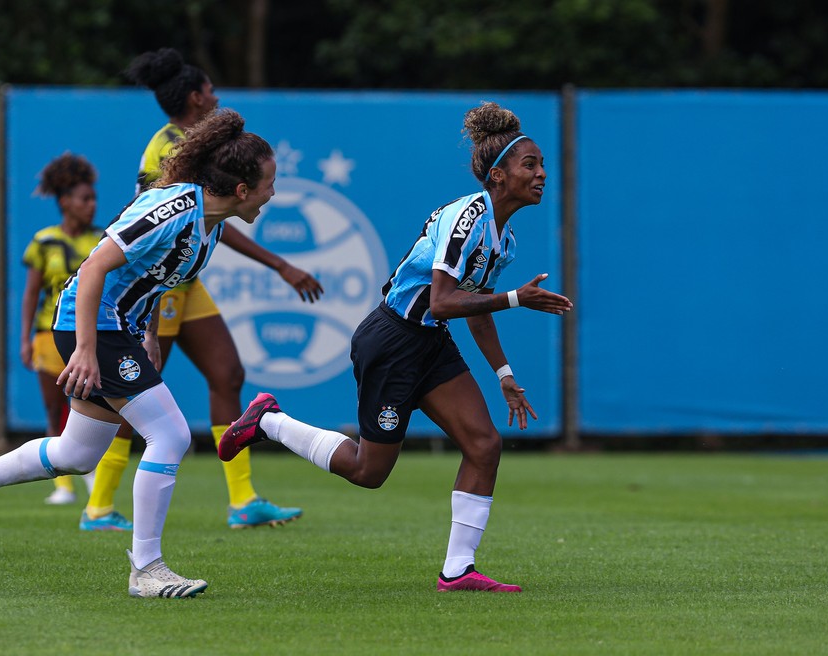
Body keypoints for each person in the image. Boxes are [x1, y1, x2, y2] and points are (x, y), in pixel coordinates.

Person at [218, 101, 574, 593]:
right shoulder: (468, 218)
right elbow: (446, 301)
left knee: (484, 445)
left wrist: (504, 374)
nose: (541, 175)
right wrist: (517, 298)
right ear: (497, 175)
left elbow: (473, 306)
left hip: (429, 341)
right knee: (369, 472)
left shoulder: (503, 238)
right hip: (392, 339)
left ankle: (457, 571)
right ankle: (268, 421)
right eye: (529, 165)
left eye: (540, 165)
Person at [0, 109, 278, 598]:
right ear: (242, 189)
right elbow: (93, 270)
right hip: (91, 326)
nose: (272, 194)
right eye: (268, 184)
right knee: (171, 435)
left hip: (118, 330)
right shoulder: (175, 209)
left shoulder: (210, 222)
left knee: (77, 453)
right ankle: (147, 569)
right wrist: (88, 351)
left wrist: (149, 333)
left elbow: (151, 275)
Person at [74, 47, 319, 532]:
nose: (215, 95)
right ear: (193, 96)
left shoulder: (204, 150)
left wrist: (279, 265)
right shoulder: (165, 147)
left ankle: (243, 500)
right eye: (209, 89)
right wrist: (280, 265)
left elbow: (216, 222)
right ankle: (99, 506)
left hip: (184, 283)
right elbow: (154, 225)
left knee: (227, 374)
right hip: (154, 286)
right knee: (131, 391)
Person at [19, 153, 125, 514]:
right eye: (84, 199)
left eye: (94, 198)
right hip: (51, 335)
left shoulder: (104, 239)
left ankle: (90, 469)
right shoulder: (44, 241)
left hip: (94, 335)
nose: (92, 205)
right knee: (55, 408)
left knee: (93, 403)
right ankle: (63, 484)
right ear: (65, 202)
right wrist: (24, 338)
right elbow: (32, 292)